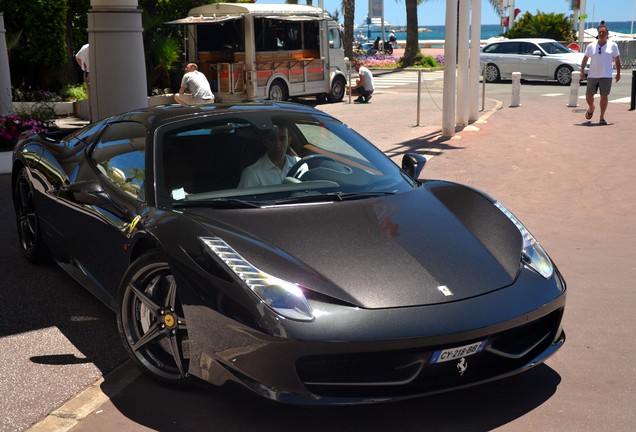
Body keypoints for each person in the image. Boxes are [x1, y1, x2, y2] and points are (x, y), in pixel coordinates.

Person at [580, 21, 621, 125]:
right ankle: (591, 107)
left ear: (607, 34)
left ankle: (602, 117)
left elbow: (617, 59)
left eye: (604, 32)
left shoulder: (613, 46)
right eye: (600, 32)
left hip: (606, 75)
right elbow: (585, 59)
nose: (602, 34)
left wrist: (618, 73)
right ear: (597, 34)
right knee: (588, 96)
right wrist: (582, 71)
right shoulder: (591, 46)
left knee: (604, 96)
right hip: (592, 75)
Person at [237, 123, 300, 188]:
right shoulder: (252, 174)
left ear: (289, 141)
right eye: (272, 139)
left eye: (282, 139)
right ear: (265, 142)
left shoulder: (300, 165)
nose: (277, 145)